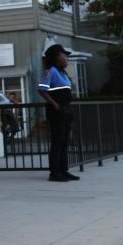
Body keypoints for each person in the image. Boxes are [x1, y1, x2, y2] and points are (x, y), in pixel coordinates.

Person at [38, 43, 79, 181]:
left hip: (66, 109)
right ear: (57, 56)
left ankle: (64, 170)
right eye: (64, 55)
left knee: (65, 141)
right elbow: (42, 89)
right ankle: (54, 173)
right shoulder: (51, 71)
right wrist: (55, 105)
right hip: (57, 111)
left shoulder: (62, 72)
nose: (67, 58)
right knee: (58, 141)